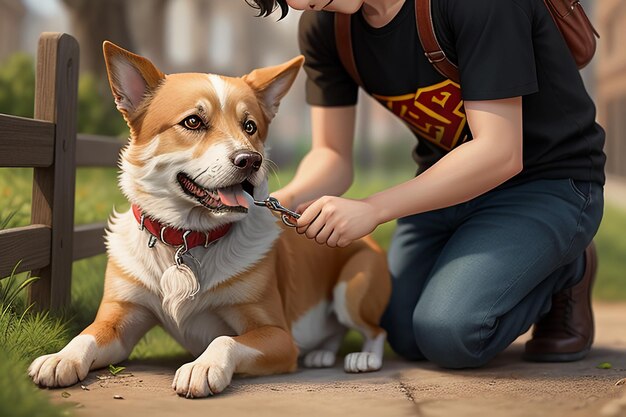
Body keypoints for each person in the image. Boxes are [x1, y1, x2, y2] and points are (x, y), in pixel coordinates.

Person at [246, 0, 605, 369]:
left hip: (546, 181)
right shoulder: (327, 26)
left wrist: (374, 208)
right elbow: (332, 155)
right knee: (400, 330)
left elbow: (499, 152)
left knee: (449, 334)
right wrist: (273, 204)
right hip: (444, 189)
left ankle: (567, 264)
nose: (304, 2)